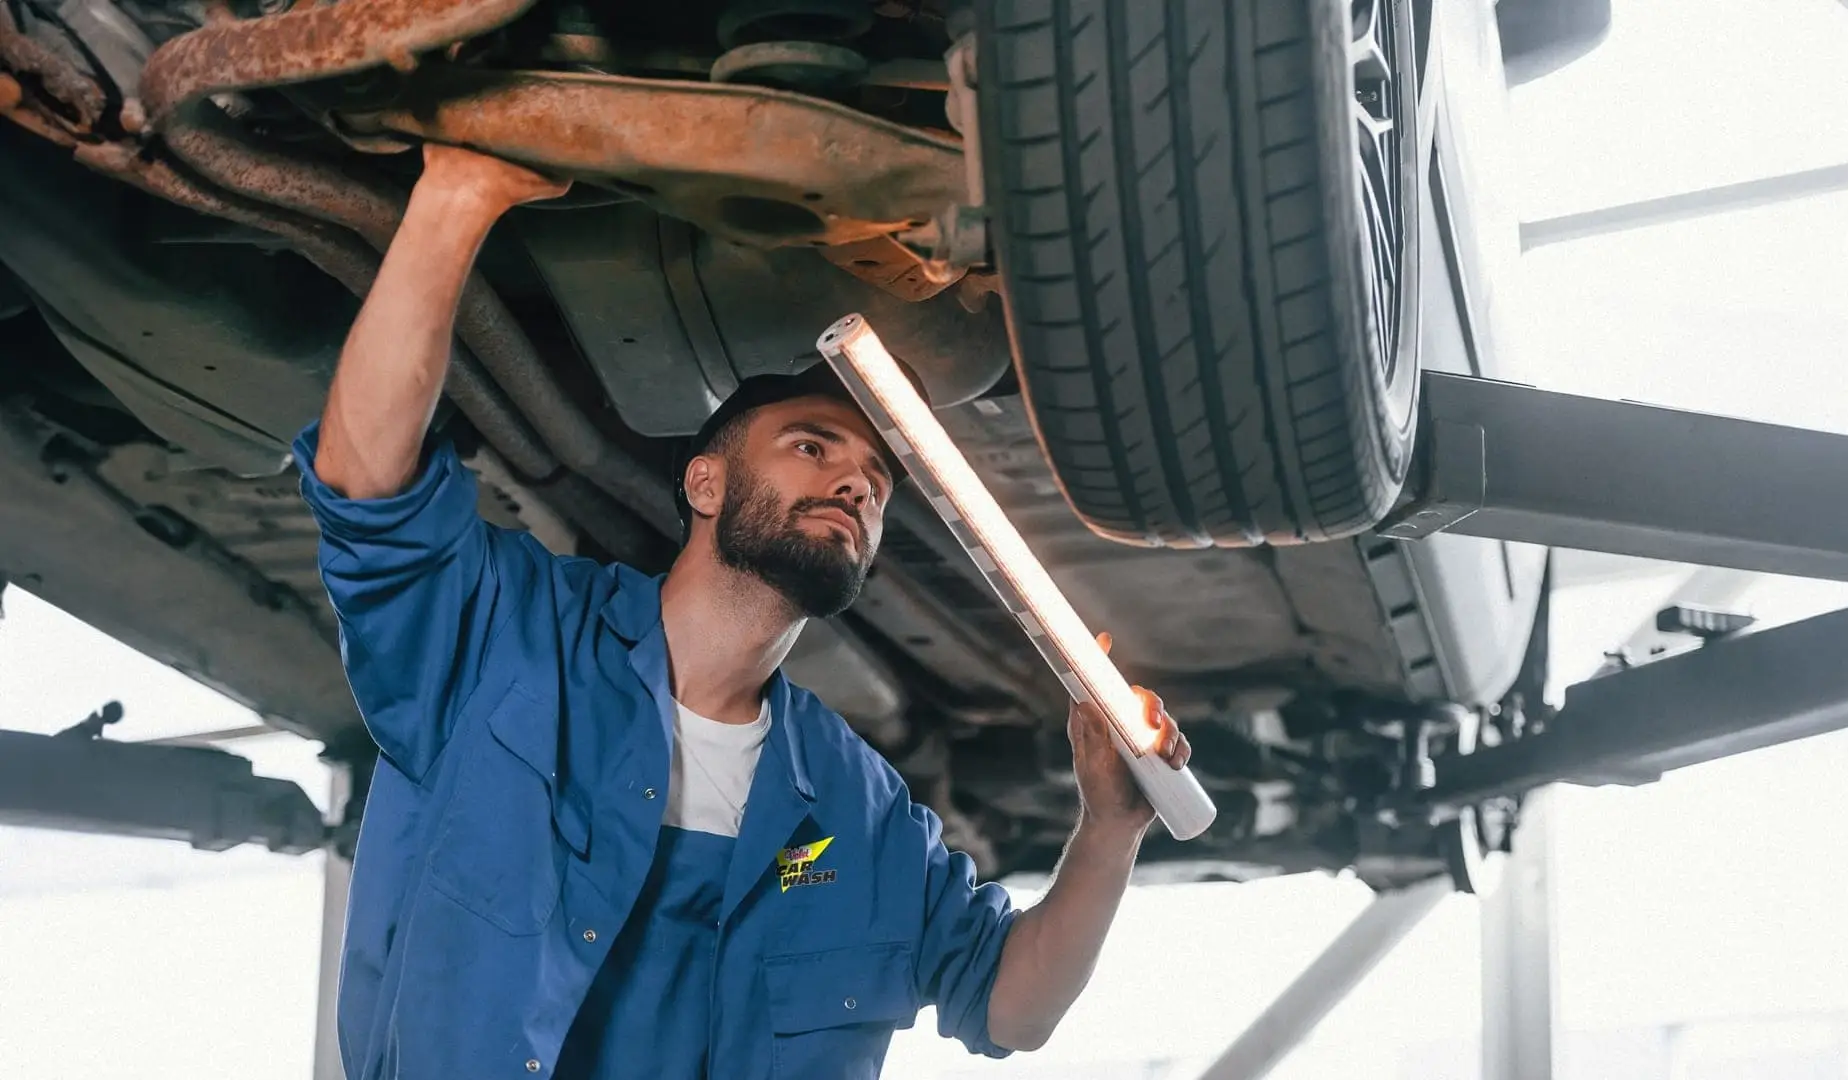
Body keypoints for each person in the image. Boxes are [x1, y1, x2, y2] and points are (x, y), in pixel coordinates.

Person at [296, 144, 1193, 1080]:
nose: (855, 481)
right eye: (812, 446)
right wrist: (457, 193)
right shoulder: (511, 642)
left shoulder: (858, 812)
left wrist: (1109, 829)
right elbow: (368, 487)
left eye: (877, 481)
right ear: (706, 482)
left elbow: (1012, 1002)